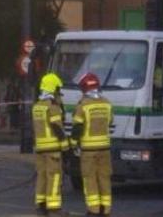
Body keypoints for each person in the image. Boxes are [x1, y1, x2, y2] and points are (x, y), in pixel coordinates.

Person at [72, 73, 113, 216]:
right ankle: (106, 208)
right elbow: (110, 122)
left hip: (89, 149)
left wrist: (73, 144)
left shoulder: (83, 105)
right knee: (104, 177)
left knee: (90, 179)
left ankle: (94, 210)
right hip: (105, 148)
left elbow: (77, 127)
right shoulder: (106, 103)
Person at [32, 72, 70, 216]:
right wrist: (66, 146)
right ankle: (54, 208)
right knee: (54, 177)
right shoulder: (52, 106)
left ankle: (41, 205)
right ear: (54, 89)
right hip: (53, 148)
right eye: (58, 90)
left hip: (40, 148)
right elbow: (57, 127)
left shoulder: (38, 106)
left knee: (41, 176)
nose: (59, 93)